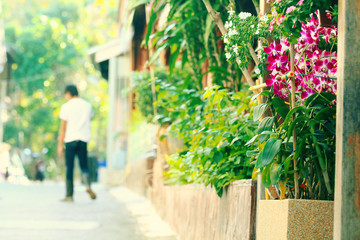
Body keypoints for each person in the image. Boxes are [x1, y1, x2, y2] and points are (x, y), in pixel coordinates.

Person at [58, 84, 96, 202]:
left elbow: (63, 128)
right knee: (84, 165)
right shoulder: (87, 105)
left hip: (70, 140)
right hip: (83, 140)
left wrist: (60, 145)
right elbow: (90, 118)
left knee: (70, 167)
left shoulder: (66, 106)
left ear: (68, 93)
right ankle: (87, 185)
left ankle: (69, 195)